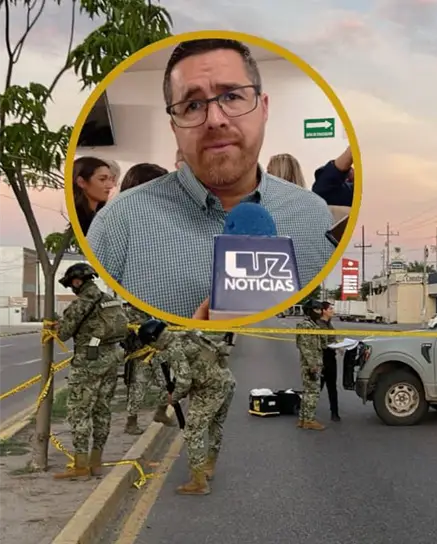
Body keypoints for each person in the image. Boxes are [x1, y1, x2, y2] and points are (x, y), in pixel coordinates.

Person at [85, 38, 337, 319]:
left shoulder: (314, 216)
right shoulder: (117, 224)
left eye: (232, 96)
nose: (215, 119)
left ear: (263, 108)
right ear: (174, 127)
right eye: (192, 105)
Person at [137, 319, 236, 495]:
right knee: (216, 426)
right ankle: (209, 466)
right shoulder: (188, 334)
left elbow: (184, 380)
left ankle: (199, 482)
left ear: (154, 339)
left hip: (209, 390)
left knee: (192, 432)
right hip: (226, 381)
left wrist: (173, 398)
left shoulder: (174, 348)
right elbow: (219, 349)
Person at [52, 263, 130, 480]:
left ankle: (81, 466)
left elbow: (65, 333)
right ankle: (97, 463)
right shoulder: (110, 300)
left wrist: (56, 326)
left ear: (77, 281)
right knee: (102, 411)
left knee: (79, 412)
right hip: (111, 360)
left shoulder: (82, 304)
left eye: (71, 284)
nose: (72, 289)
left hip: (88, 363)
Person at [121, 302, 174, 434]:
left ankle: (161, 413)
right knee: (138, 391)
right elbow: (122, 335)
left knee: (168, 386)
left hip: (157, 356)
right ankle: (131, 422)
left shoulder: (153, 311)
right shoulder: (126, 314)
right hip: (140, 358)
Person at [295, 300, 340, 429]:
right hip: (311, 363)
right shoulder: (306, 325)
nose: (319, 312)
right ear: (309, 311)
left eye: (320, 309)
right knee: (313, 392)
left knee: (308, 391)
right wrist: (312, 364)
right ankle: (309, 420)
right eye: (316, 309)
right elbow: (305, 346)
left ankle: (303, 419)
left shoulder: (313, 325)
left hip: (316, 361)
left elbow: (322, 343)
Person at [72, 156, 116, 236]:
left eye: (110, 179)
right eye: (102, 179)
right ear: (81, 182)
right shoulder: (78, 220)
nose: (110, 186)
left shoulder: (100, 214)